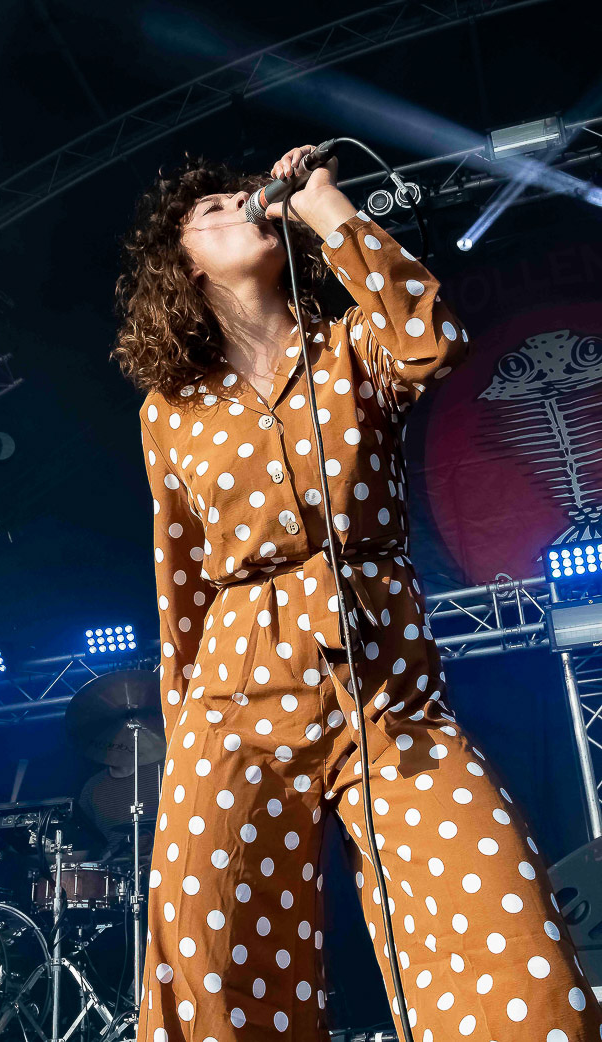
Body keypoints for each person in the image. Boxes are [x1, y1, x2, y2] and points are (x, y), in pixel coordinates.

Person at [112, 146, 602, 1042]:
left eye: (244, 195)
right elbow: (179, 580)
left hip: (388, 693)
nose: (241, 204)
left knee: (502, 932)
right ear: (184, 265)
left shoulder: (352, 350)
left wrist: (325, 208)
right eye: (212, 208)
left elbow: (433, 341)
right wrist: (186, 737)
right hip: (234, 697)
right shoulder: (169, 411)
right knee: (214, 959)